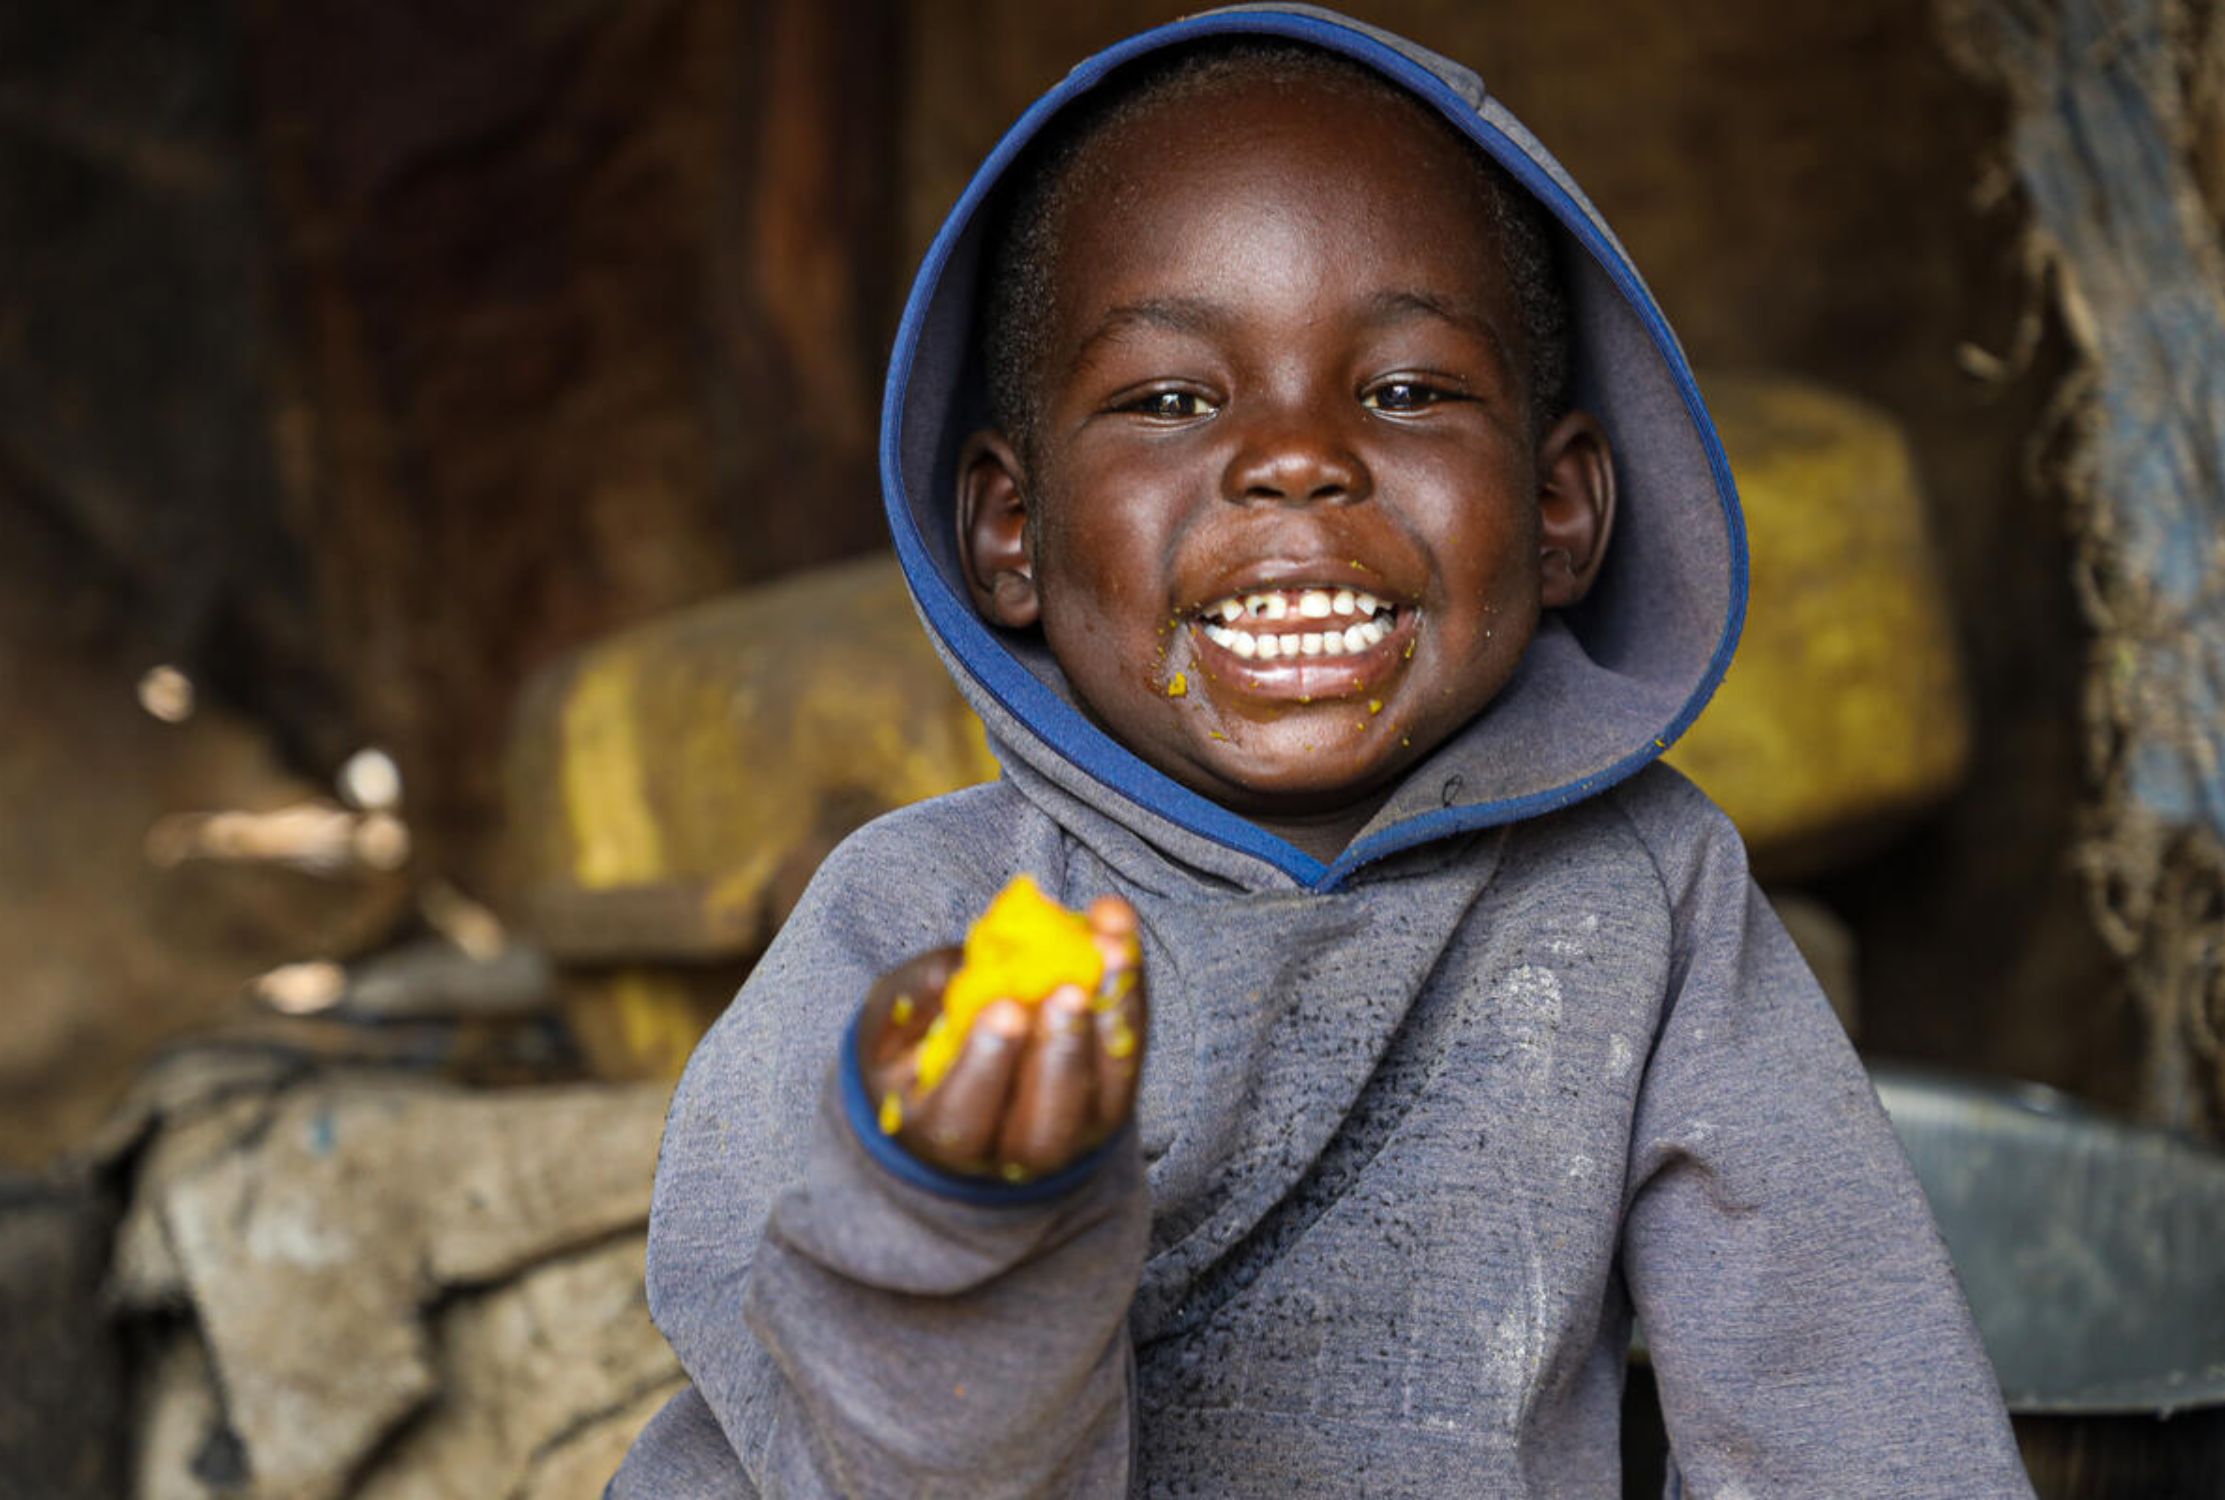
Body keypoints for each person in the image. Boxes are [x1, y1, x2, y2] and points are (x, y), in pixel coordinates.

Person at [612, 9, 2034, 1496]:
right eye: (1169, 400)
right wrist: (954, 1212)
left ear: (1558, 512)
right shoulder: (926, 925)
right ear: (1009, 532)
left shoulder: (1645, 898)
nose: (1296, 459)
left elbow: (1841, 1400)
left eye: (1406, 392)